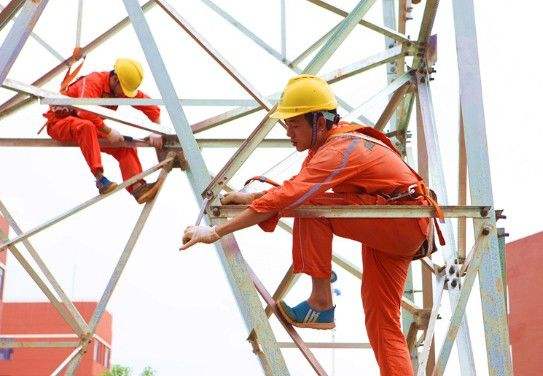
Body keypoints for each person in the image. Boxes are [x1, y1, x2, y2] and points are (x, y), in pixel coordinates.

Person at [181, 74, 441, 375]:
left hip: (402, 219)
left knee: (309, 208)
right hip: (399, 226)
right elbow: (292, 189)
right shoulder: (328, 149)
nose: (288, 132)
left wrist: (214, 232)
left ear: (319, 121)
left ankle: (321, 301)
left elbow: (294, 197)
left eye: (294, 124)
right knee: (382, 324)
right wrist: (249, 196)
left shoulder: (339, 149)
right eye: (286, 124)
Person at [43, 58, 163, 204]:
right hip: (60, 123)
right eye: (124, 91)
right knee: (86, 125)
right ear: (115, 79)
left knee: (125, 146)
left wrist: (157, 130)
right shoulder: (94, 81)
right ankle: (100, 180)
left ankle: (137, 187)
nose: (124, 95)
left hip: (90, 128)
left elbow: (151, 107)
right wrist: (108, 131)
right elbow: (84, 112)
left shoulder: (122, 89)